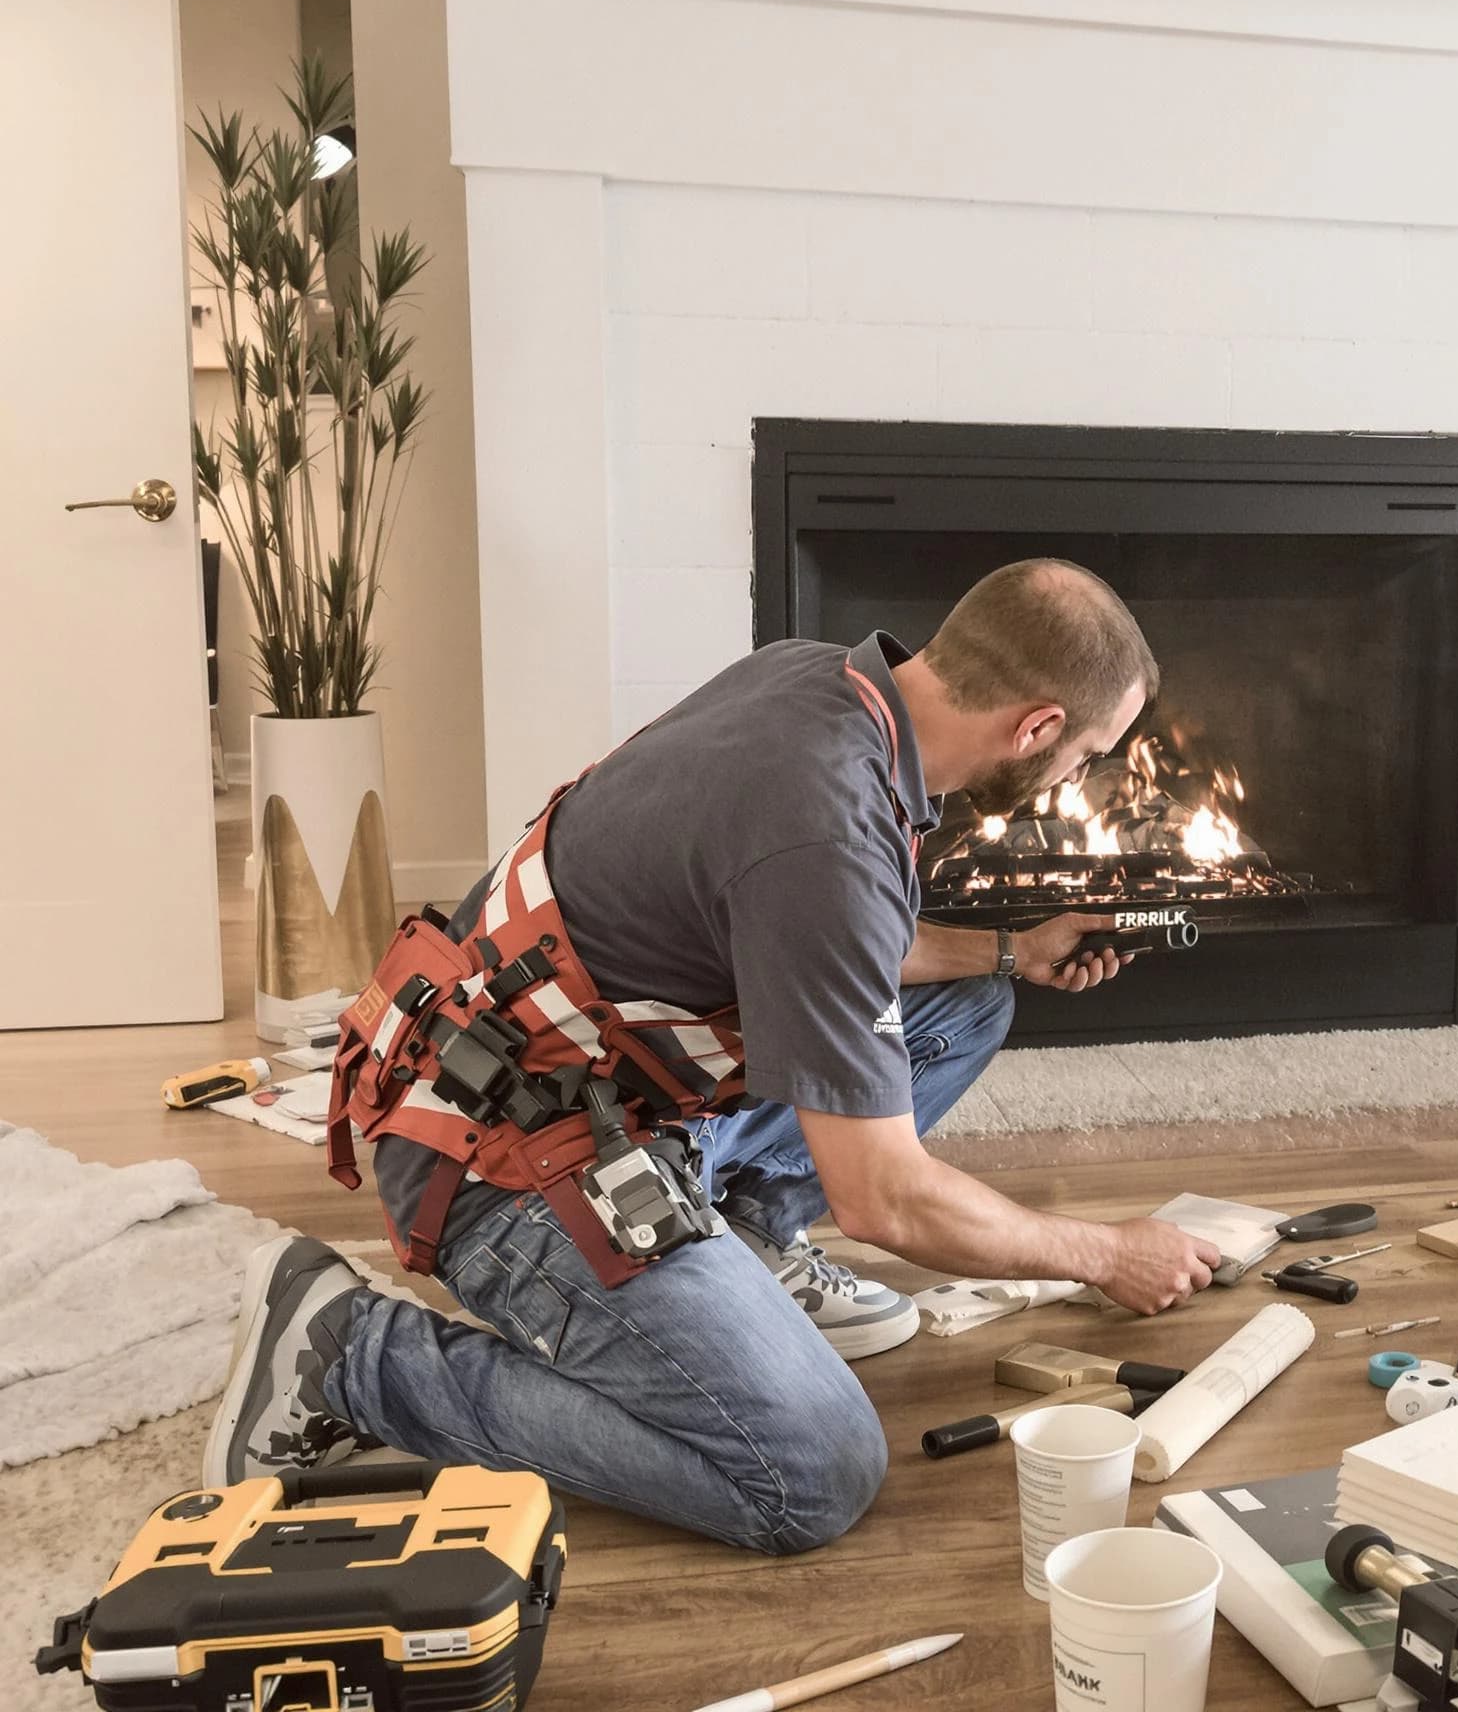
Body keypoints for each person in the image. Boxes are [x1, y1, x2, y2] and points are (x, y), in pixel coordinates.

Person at [204, 559, 1223, 1554]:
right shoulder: (824, 834)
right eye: (1086, 754)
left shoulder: (817, 681)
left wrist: (1017, 948)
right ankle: (348, 1353)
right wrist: (1107, 1251)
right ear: (1036, 726)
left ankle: (744, 1239)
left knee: (968, 1002)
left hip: (561, 1076)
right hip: (500, 1160)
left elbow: (821, 941)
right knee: (810, 1469)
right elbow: (885, 1202)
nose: (1076, 776)